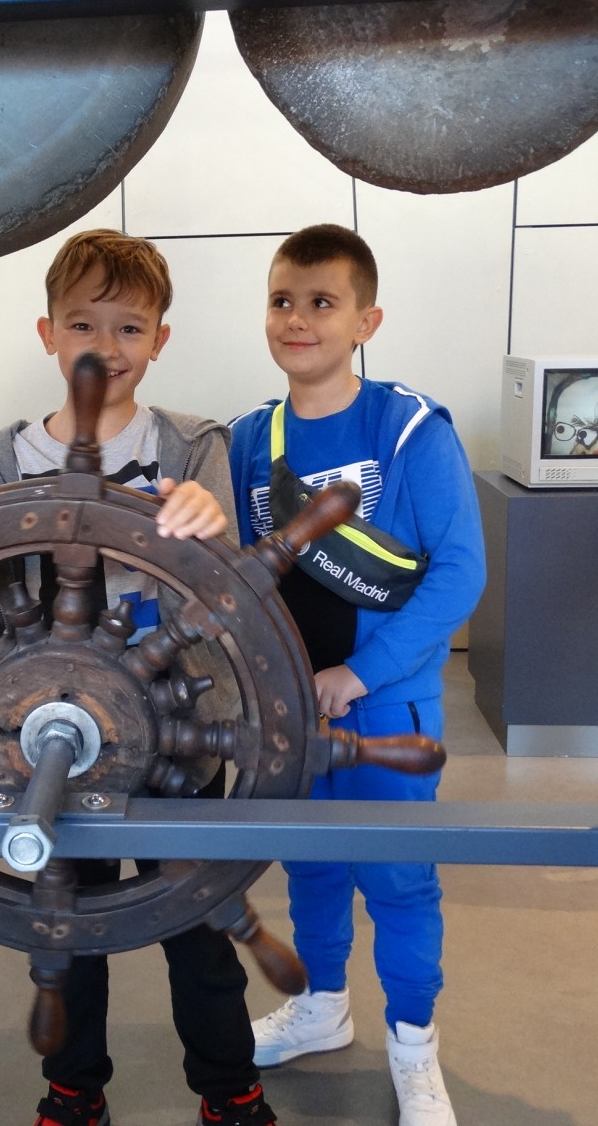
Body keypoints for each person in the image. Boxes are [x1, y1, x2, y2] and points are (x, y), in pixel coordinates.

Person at [0, 229, 275, 1126]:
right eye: (83, 324)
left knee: (200, 929)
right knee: (67, 928)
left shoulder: (194, 447)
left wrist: (210, 524)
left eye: (130, 327)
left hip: (181, 739)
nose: (105, 346)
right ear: (48, 334)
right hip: (56, 741)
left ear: (160, 339)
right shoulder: (7, 459)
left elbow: (235, 592)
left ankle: (231, 1091)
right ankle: (75, 1092)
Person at [228, 224, 485, 1126]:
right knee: (312, 867)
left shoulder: (408, 427)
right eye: (281, 301)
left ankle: (414, 1048)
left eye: (322, 303)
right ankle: (322, 1009)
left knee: (400, 879)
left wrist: (362, 672)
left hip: (386, 709)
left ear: (366, 321)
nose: (297, 319)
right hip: (292, 711)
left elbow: (460, 572)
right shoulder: (250, 438)